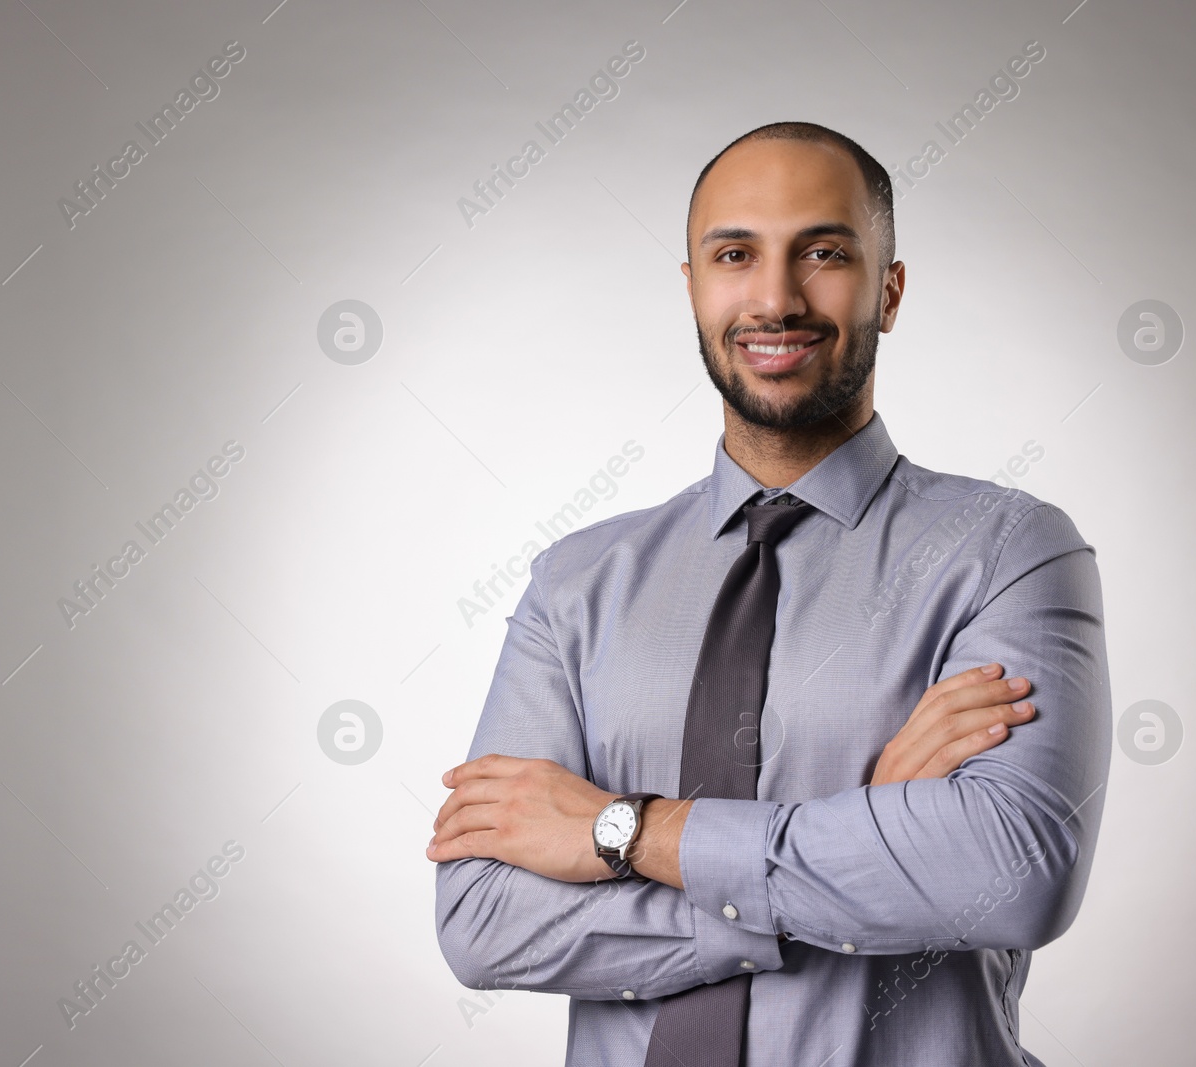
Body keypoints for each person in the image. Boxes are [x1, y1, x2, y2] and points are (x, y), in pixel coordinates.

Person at [427, 120, 1110, 1066]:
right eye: (736, 254)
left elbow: (1010, 872)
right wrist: (866, 832)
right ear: (694, 288)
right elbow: (483, 920)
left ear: (891, 289)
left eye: (824, 252)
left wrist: (622, 829)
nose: (776, 298)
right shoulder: (575, 584)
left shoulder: (1007, 551)